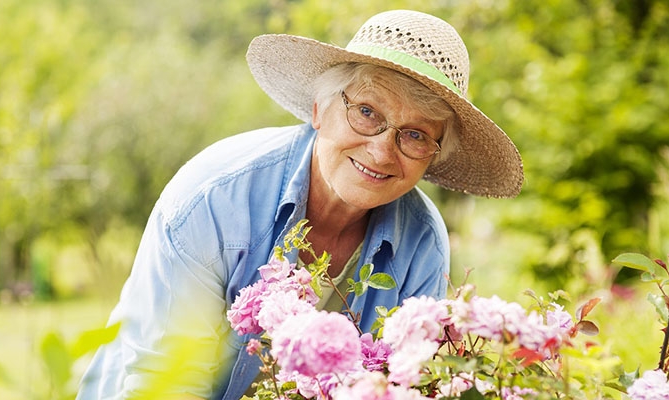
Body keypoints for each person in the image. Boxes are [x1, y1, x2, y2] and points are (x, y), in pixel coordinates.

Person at [76, 9, 523, 400]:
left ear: (433, 156)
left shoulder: (422, 242)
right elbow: (167, 384)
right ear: (318, 109)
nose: (383, 151)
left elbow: (402, 387)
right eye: (367, 111)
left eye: (416, 135)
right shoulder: (215, 200)